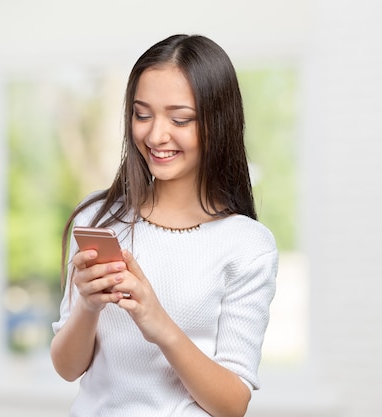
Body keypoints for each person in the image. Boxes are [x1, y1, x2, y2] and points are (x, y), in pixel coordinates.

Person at [50, 34, 278, 417]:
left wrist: (158, 324)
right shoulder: (99, 220)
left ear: (218, 123)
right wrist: (87, 307)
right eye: (142, 114)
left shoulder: (247, 245)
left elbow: (233, 404)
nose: (156, 135)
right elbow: (68, 368)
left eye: (180, 119)